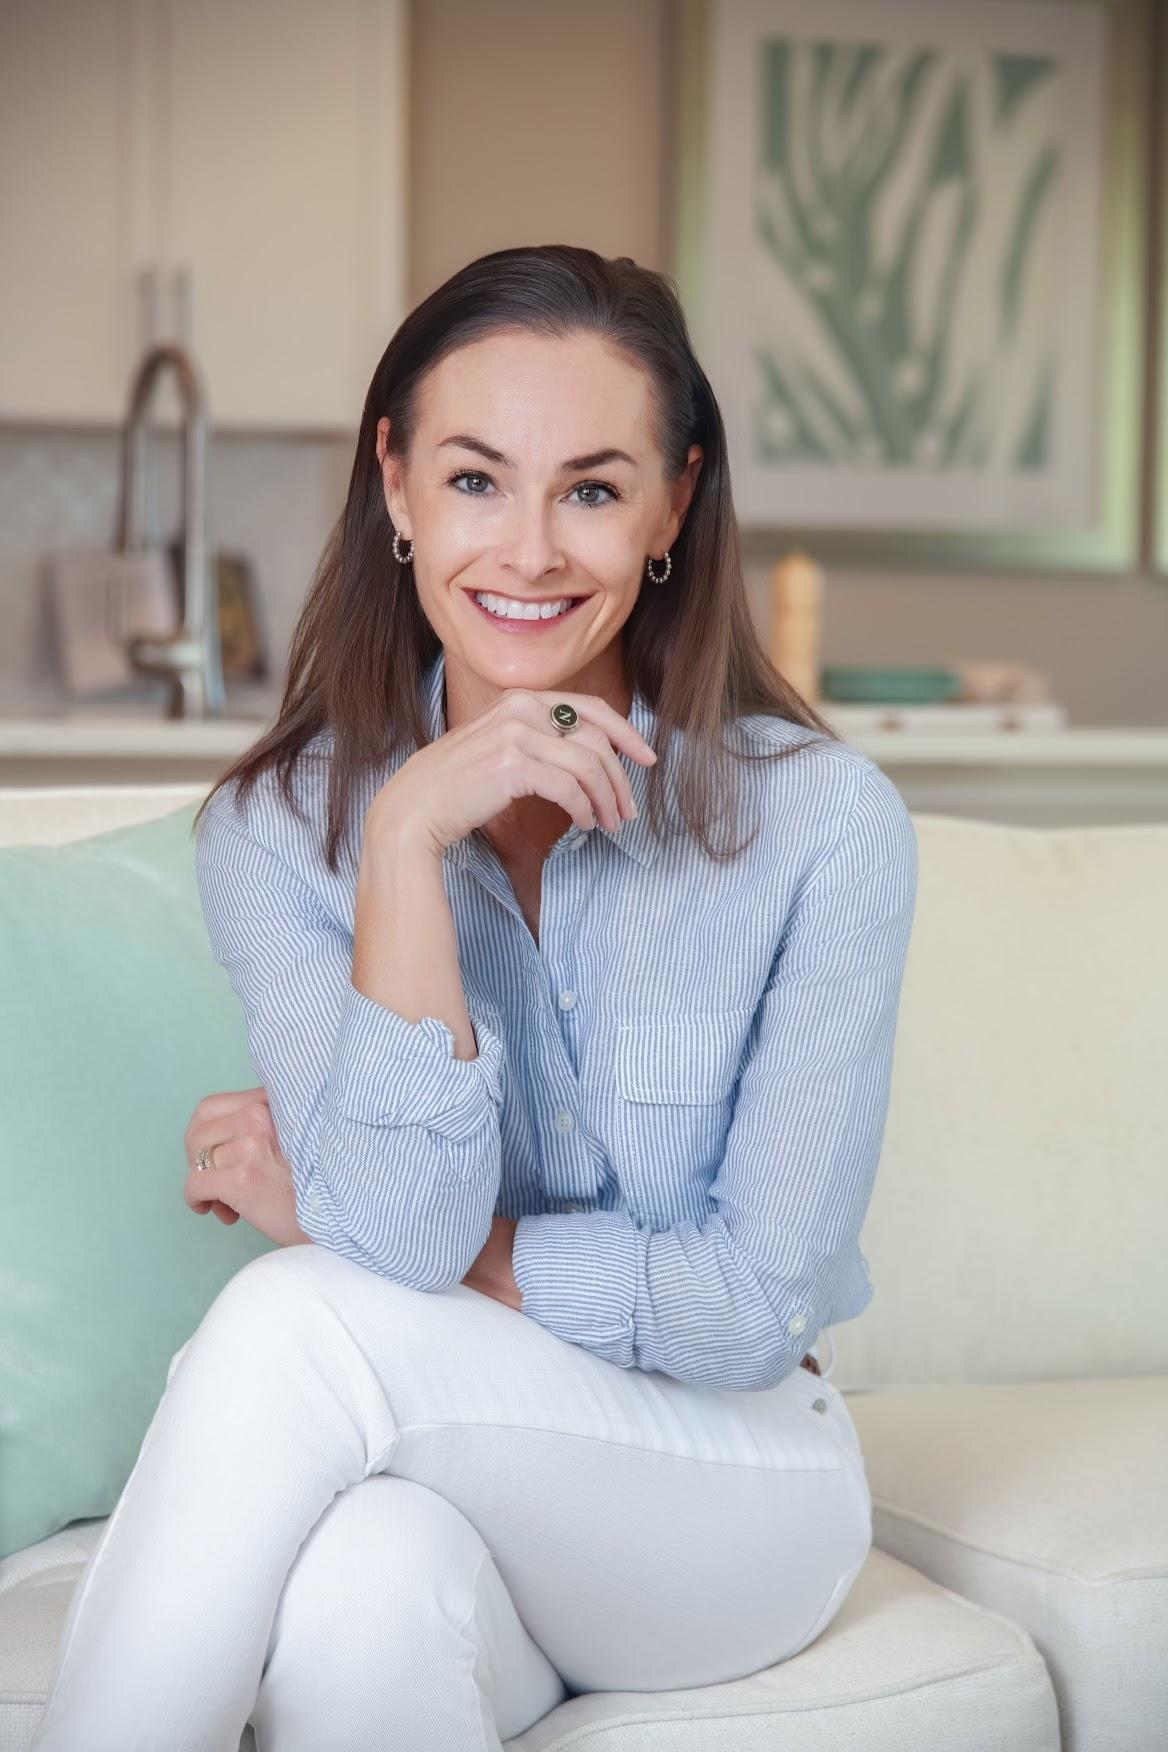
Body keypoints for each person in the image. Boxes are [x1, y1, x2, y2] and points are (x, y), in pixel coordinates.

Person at [31, 244, 918, 1751]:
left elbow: (747, 1301)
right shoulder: (284, 832)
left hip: (735, 1493)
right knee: (365, 1591)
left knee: (298, 1313)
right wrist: (403, 836)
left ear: (672, 507)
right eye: (474, 479)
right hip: (471, 1489)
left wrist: (359, 1227)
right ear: (393, 486)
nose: (527, 550)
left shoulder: (823, 825)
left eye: (590, 486)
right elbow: (409, 1230)